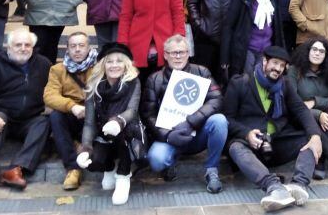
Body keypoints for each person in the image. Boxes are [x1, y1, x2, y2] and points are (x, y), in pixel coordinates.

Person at [223, 46, 323, 212]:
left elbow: (300, 110)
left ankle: (299, 185)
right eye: (274, 63)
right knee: (235, 147)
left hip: (275, 142)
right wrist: (246, 134)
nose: (277, 68)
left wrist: (315, 136)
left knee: (309, 140)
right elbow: (227, 118)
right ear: (264, 62)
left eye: (282, 66)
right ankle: (274, 187)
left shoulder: (285, 85)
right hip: (249, 144)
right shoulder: (240, 82)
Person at [0, 30, 51, 197]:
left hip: (30, 118)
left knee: (44, 122)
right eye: (18, 44)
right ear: (9, 47)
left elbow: (55, 90)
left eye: (27, 45)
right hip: (3, 116)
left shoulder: (43, 64)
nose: (23, 48)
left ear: (33, 47)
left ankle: (15, 170)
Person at [142, 36, 226, 193]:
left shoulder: (202, 72)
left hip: (197, 133)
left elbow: (216, 99)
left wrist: (191, 122)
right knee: (156, 160)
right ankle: (170, 163)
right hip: (169, 137)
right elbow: (148, 115)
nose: (178, 56)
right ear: (165, 55)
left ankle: (212, 170)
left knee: (219, 121)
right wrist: (167, 135)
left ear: (188, 53)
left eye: (181, 52)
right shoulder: (155, 79)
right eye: (173, 53)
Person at [76, 43, 142, 206]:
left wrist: (118, 121)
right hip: (103, 133)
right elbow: (89, 123)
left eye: (119, 61)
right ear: (103, 64)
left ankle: (123, 175)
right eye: (109, 61)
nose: (114, 65)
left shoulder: (133, 82)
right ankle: (109, 166)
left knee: (124, 132)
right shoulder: (93, 86)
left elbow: (132, 110)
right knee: (93, 162)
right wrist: (85, 147)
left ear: (125, 64)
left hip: (128, 132)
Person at [287, 39, 328, 184]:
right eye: (314, 50)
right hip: (299, 116)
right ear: (308, 51)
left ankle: (320, 161)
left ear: (326, 56)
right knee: (315, 117)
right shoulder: (294, 71)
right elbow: (293, 101)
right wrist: (317, 114)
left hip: (322, 114)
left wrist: (315, 102)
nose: (317, 53)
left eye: (321, 51)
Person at [43, 31, 98, 190]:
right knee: (55, 115)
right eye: (73, 46)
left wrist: (89, 108)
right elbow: (49, 95)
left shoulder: (99, 67)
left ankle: (84, 146)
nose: (77, 50)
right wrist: (72, 106)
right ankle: (73, 167)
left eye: (81, 45)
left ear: (89, 48)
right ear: (67, 49)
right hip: (72, 115)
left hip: (94, 116)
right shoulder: (57, 70)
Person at [221, 0, 285, 77]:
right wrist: (224, 57)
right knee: (247, 83)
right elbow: (228, 27)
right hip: (246, 51)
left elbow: (278, 28)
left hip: (266, 51)